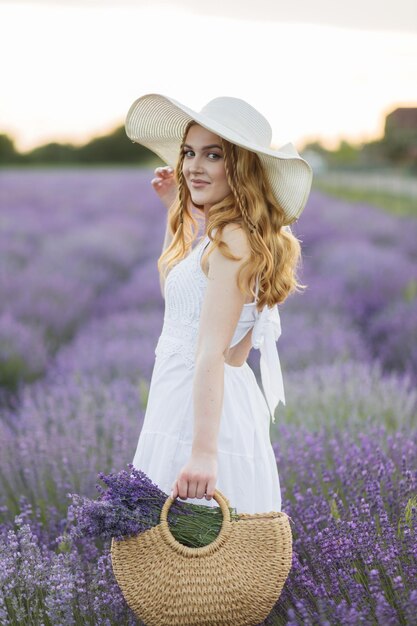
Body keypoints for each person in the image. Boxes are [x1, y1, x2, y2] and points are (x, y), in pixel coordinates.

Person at [126, 93, 313, 514]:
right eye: (189, 153)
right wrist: (177, 210)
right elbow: (181, 307)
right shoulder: (222, 234)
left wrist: (204, 453)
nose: (193, 165)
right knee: (180, 554)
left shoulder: (234, 240)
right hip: (186, 398)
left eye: (213, 155)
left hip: (203, 415)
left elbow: (214, 352)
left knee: (196, 556)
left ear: (242, 168)